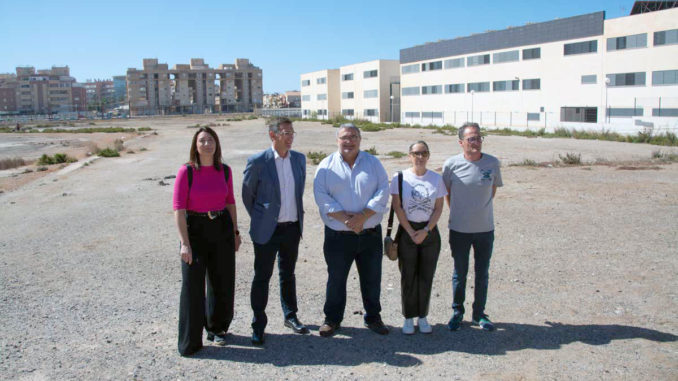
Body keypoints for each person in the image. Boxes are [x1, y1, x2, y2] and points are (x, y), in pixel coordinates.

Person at [313, 123, 390, 337]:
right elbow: (321, 197)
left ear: (360, 139)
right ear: (337, 140)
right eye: (345, 137)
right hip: (338, 236)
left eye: (354, 136)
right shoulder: (326, 165)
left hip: (370, 234)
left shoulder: (373, 163)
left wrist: (363, 216)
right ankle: (332, 320)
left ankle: (373, 318)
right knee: (336, 279)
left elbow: (383, 190)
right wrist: (348, 220)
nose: (349, 141)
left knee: (372, 278)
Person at [173, 127, 241, 356]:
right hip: (195, 230)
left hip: (221, 227)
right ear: (195, 145)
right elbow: (179, 209)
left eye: (210, 140)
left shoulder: (225, 171)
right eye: (202, 140)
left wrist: (235, 232)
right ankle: (190, 341)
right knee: (192, 287)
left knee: (222, 281)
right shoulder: (187, 171)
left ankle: (217, 329)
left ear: (216, 144)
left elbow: (230, 202)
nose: (207, 144)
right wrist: (184, 243)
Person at [242, 117, 308, 346]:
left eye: (292, 133)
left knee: (288, 274)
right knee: (262, 276)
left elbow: (298, 192)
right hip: (267, 231)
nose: (290, 137)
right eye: (285, 133)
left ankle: (290, 316)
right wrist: (262, 218)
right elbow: (247, 195)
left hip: (291, 228)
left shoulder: (299, 159)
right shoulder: (259, 161)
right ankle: (258, 323)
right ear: (273, 135)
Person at [442, 122, 502, 332]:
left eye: (478, 138)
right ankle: (458, 312)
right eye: (471, 139)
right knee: (460, 272)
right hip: (459, 229)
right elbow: (447, 194)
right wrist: (460, 213)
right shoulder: (451, 165)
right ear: (461, 142)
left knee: (482, 272)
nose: (476, 142)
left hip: (485, 229)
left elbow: (491, 191)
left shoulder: (492, 163)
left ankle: (479, 314)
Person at [391, 141, 447, 335]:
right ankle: (408, 317)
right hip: (407, 231)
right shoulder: (399, 178)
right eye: (416, 153)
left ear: (428, 156)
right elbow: (397, 207)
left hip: (429, 232)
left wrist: (426, 230)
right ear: (409, 155)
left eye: (423, 153)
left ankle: (422, 316)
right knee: (408, 276)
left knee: (426, 276)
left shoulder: (436, 179)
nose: (420, 157)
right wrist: (409, 231)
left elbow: (439, 208)